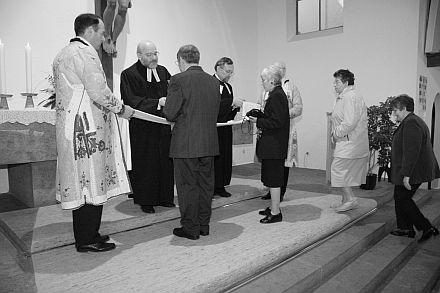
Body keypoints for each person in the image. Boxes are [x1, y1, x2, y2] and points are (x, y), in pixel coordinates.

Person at [52, 13, 135, 252]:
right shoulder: (84, 53)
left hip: (72, 126)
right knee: (89, 181)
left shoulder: (63, 53)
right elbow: (98, 90)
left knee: (83, 183)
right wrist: (122, 109)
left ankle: (89, 233)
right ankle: (87, 239)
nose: (103, 37)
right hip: (85, 128)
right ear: (89, 31)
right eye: (101, 32)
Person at [164, 45, 220, 240]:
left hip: (186, 144)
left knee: (187, 187)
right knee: (205, 186)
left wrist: (166, 103)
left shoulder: (178, 79)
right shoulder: (213, 82)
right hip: (209, 142)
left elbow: (170, 113)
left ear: (181, 60)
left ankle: (190, 228)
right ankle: (203, 225)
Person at [120, 40, 174, 214]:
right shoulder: (129, 74)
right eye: (149, 55)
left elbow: (173, 90)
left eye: (155, 53)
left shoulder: (163, 71)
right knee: (146, 162)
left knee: (165, 161)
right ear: (139, 55)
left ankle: (165, 197)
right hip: (142, 127)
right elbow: (131, 100)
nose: (153, 58)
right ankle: (146, 200)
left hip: (163, 126)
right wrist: (157, 103)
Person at [389, 94, 440, 242]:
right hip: (412, 169)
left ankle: (426, 227)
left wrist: (407, 175)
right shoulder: (413, 120)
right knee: (400, 197)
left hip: (413, 171)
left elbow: (412, 151)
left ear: (404, 108)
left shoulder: (411, 123)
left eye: (396, 110)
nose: (394, 114)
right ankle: (405, 228)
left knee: (403, 198)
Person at [249, 65, 290, 224]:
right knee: (270, 178)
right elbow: (274, 117)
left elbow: (277, 121)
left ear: (272, 80)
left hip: (274, 145)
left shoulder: (277, 95)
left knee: (274, 179)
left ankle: (275, 212)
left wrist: (258, 120)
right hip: (272, 145)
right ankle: (273, 206)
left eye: (263, 80)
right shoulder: (275, 94)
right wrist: (260, 115)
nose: (262, 83)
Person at [261, 62, 303, 202]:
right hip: (271, 130)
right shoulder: (268, 89)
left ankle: (280, 191)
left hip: (285, 130)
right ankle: (271, 190)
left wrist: (283, 114)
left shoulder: (291, 87)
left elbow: (298, 108)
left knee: (281, 163)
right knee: (272, 164)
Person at [330, 69, 369, 212]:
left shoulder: (349, 97)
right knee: (344, 171)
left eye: (337, 82)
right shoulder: (346, 96)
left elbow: (349, 122)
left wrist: (335, 134)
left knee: (338, 169)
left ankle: (351, 199)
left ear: (346, 82)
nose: (334, 85)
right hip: (348, 141)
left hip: (349, 141)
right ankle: (345, 200)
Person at [213, 57, 243, 198]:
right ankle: (213, 186)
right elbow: (214, 105)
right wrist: (231, 102)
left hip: (226, 127)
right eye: (227, 71)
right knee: (215, 158)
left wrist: (235, 108)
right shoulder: (211, 83)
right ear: (218, 68)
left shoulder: (228, 87)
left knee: (225, 156)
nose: (229, 75)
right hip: (214, 128)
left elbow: (227, 108)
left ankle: (221, 185)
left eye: (232, 72)